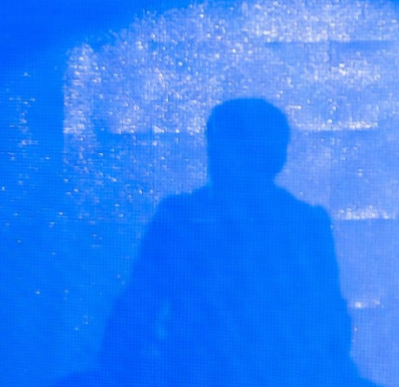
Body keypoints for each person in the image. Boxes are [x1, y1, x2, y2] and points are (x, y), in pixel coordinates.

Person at [93, 97, 367, 387]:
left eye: (225, 146)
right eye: (215, 145)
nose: (215, 155)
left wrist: (115, 370)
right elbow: (330, 321)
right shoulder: (304, 223)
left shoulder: (181, 218)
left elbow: (137, 308)